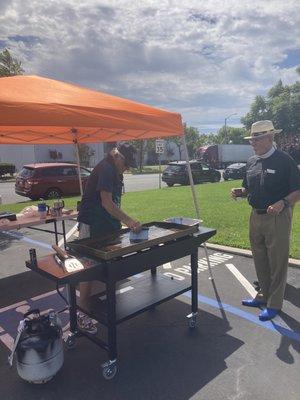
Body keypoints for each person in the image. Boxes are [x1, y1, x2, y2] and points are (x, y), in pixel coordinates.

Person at [231, 120, 300, 321]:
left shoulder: (284, 160)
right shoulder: (252, 161)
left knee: (277, 261)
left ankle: (275, 303)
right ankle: (263, 295)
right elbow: (249, 188)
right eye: (252, 139)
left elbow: (297, 189)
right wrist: (240, 192)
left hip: (277, 217)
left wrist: (283, 203)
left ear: (270, 138)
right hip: (256, 215)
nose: (253, 143)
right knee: (259, 258)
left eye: (258, 139)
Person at [76, 143, 142, 333]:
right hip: (92, 223)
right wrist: (129, 220)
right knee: (87, 269)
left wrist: (119, 222)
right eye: (127, 164)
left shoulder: (115, 170)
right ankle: (82, 311)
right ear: (117, 157)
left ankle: (102, 303)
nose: (127, 168)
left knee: (104, 267)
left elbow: (114, 201)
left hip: (106, 224)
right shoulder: (105, 168)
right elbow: (106, 202)